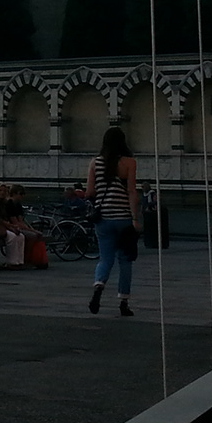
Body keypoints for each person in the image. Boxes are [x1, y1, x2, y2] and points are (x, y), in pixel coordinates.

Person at [84, 126, 141, 316]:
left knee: (105, 258)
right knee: (125, 261)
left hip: (103, 219)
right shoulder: (129, 162)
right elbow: (131, 191)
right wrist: (135, 218)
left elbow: (89, 193)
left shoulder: (95, 163)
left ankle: (99, 286)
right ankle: (123, 302)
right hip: (123, 218)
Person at [0, 182, 28, 268]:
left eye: (4, 191)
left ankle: (19, 261)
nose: (2, 193)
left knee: (20, 236)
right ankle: (12, 262)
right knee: (12, 237)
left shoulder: (3, 202)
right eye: (0, 190)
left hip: (4, 225)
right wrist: (11, 226)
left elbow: (6, 217)